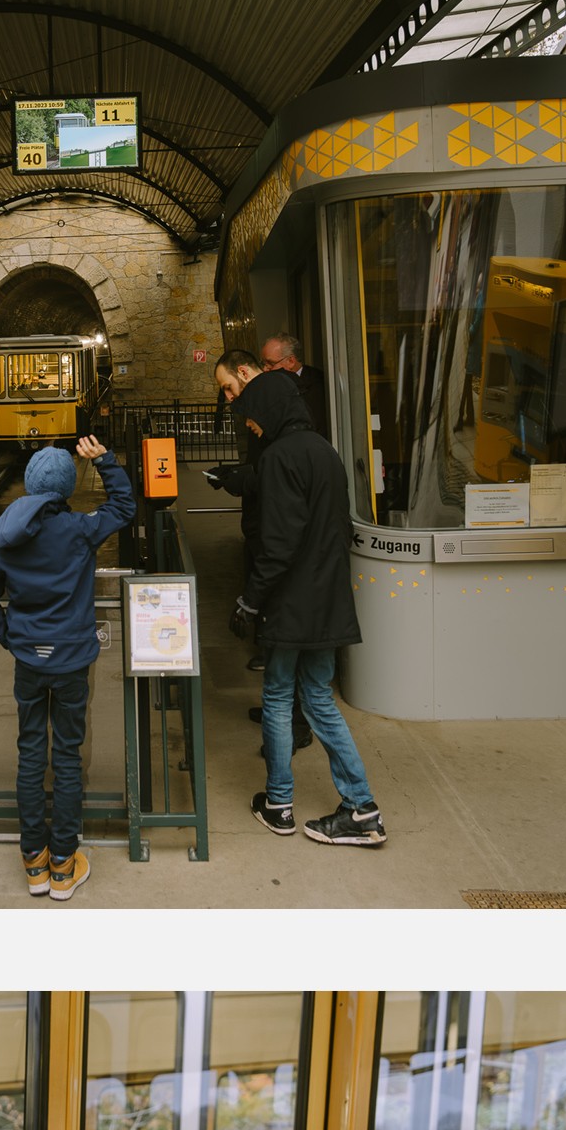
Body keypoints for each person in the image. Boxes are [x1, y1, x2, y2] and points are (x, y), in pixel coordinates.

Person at [0, 437, 134, 903]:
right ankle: (64, 863)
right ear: (64, 489)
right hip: (72, 663)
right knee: (66, 758)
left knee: (29, 755)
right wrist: (105, 459)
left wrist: (17, 641)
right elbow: (124, 507)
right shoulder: (81, 529)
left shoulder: (4, 535)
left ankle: (33, 864)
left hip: (29, 662)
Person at [226, 368, 385, 847]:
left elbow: (277, 545)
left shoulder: (278, 458)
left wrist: (249, 602)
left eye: (252, 416)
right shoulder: (324, 452)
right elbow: (334, 531)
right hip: (327, 600)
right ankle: (361, 808)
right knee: (318, 699)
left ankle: (279, 804)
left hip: (290, 604)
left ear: (271, 408)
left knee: (277, 697)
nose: (250, 426)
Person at [213, 351, 309, 745]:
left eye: (228, 388)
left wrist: (250, 600)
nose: (232, 400)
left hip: (279, 554)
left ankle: (289, 729)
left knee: (294, 665)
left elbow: (276, 486)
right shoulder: (280, 435)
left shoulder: (288, 443)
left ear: (243, 372)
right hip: (266, 538)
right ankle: (283, 717)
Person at [259, 332, 331, 437]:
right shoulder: (268, 386)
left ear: (291, 361)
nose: (265, 369)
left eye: (270, 363)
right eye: (263, 363)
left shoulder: (318, 384)